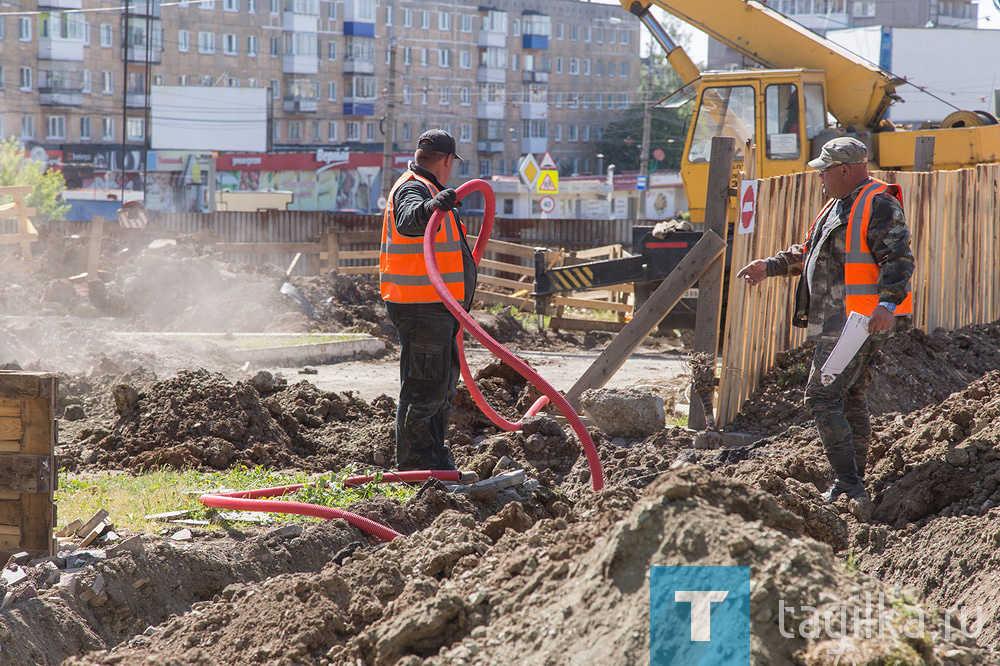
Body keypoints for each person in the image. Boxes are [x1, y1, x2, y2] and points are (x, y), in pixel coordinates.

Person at [736, 137, 914, 505]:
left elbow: (898, 260)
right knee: (850, 396)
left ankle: (848, 483)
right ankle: (854, 483)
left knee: (820, 395)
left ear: (846, 170)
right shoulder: (838, 205)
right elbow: (809, 252)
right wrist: (768, 267)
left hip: (859, 321)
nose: (820, 178)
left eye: (825, 171)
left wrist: (887, 304)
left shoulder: (879, 204)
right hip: (840, 320)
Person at [379, 129, 477, 471]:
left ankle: (433, 459)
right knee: (425, 389)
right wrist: (431, 206)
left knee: (440, 386)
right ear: (448, 160)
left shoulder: (430, 189)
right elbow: (408, 221)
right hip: (421, 305)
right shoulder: (414, 188)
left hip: (436, 307)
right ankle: (415, 465)